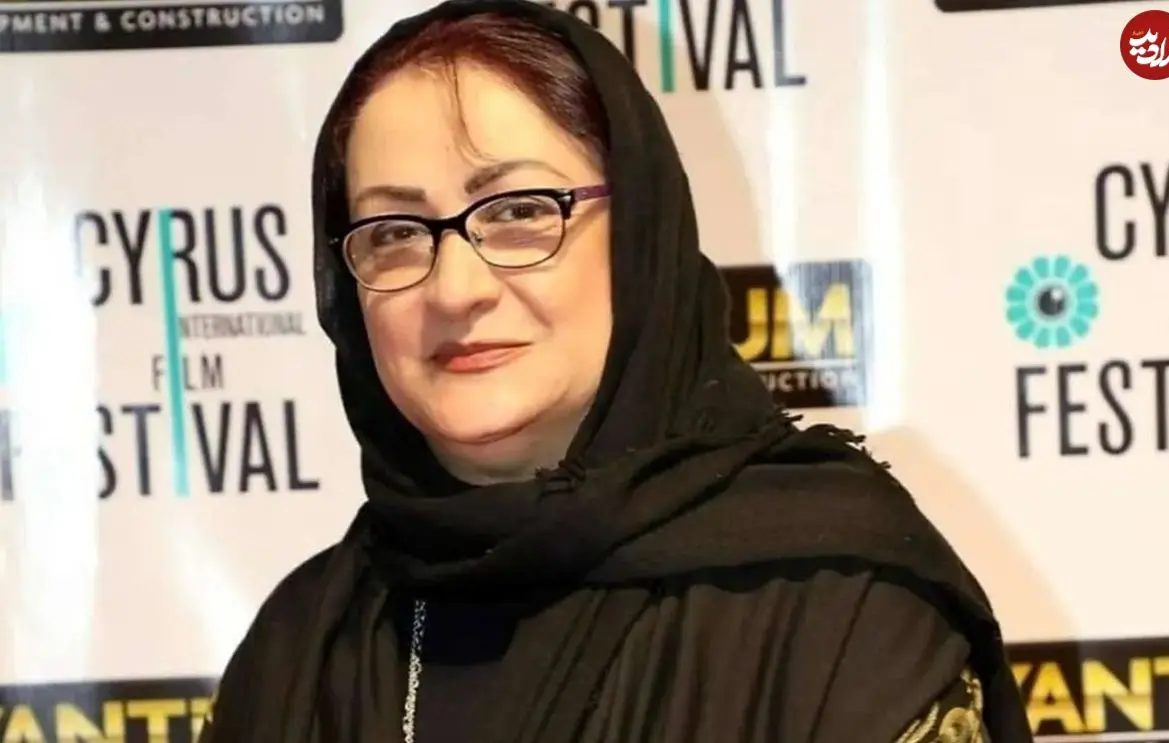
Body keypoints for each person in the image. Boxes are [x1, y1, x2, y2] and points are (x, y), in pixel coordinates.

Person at [200, 1, 1034, 741]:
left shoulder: (840, 604)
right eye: (393, 231)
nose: (455, 288)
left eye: (520, 211)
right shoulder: (301, 647)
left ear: (639, 235)